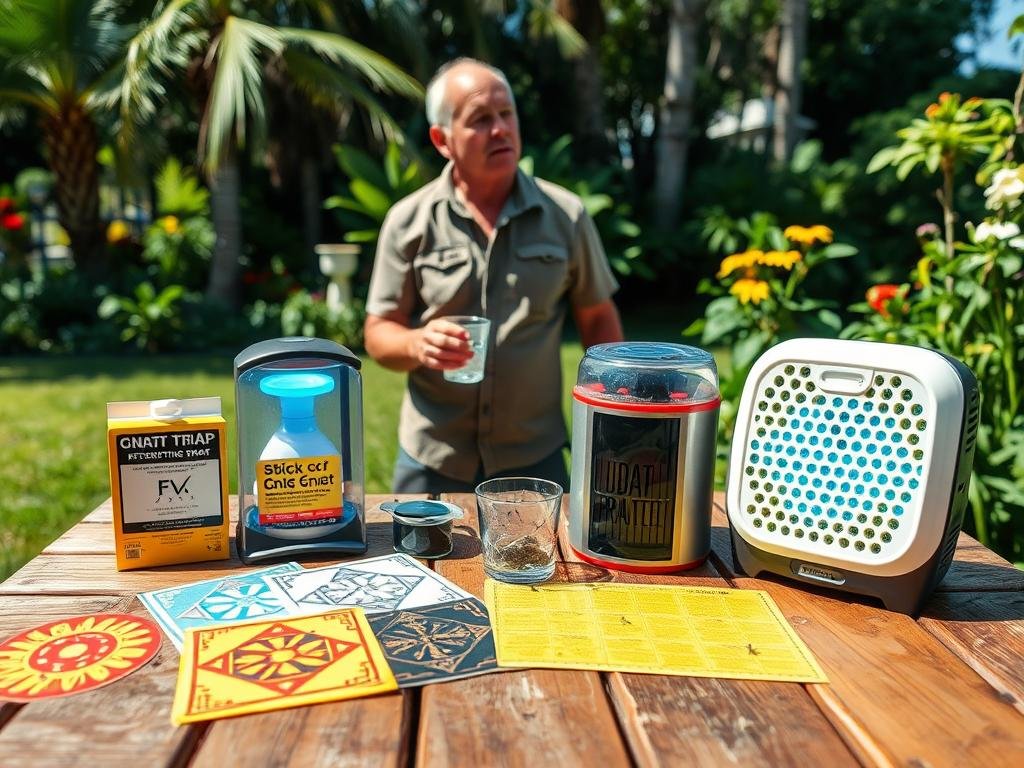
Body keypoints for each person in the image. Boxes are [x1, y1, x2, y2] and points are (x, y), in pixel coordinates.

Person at [364, 57, 624, 495]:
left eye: (506, 114)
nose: (500, 129)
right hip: (433, 456)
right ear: (441, 140)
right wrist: (417, 343)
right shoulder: (408, 221)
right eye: (480, 119)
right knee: (416, 565)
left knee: (547, 566)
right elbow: (377, 333)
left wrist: (616, 411)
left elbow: (598, 317)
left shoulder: (566, 215)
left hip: (535, 457)